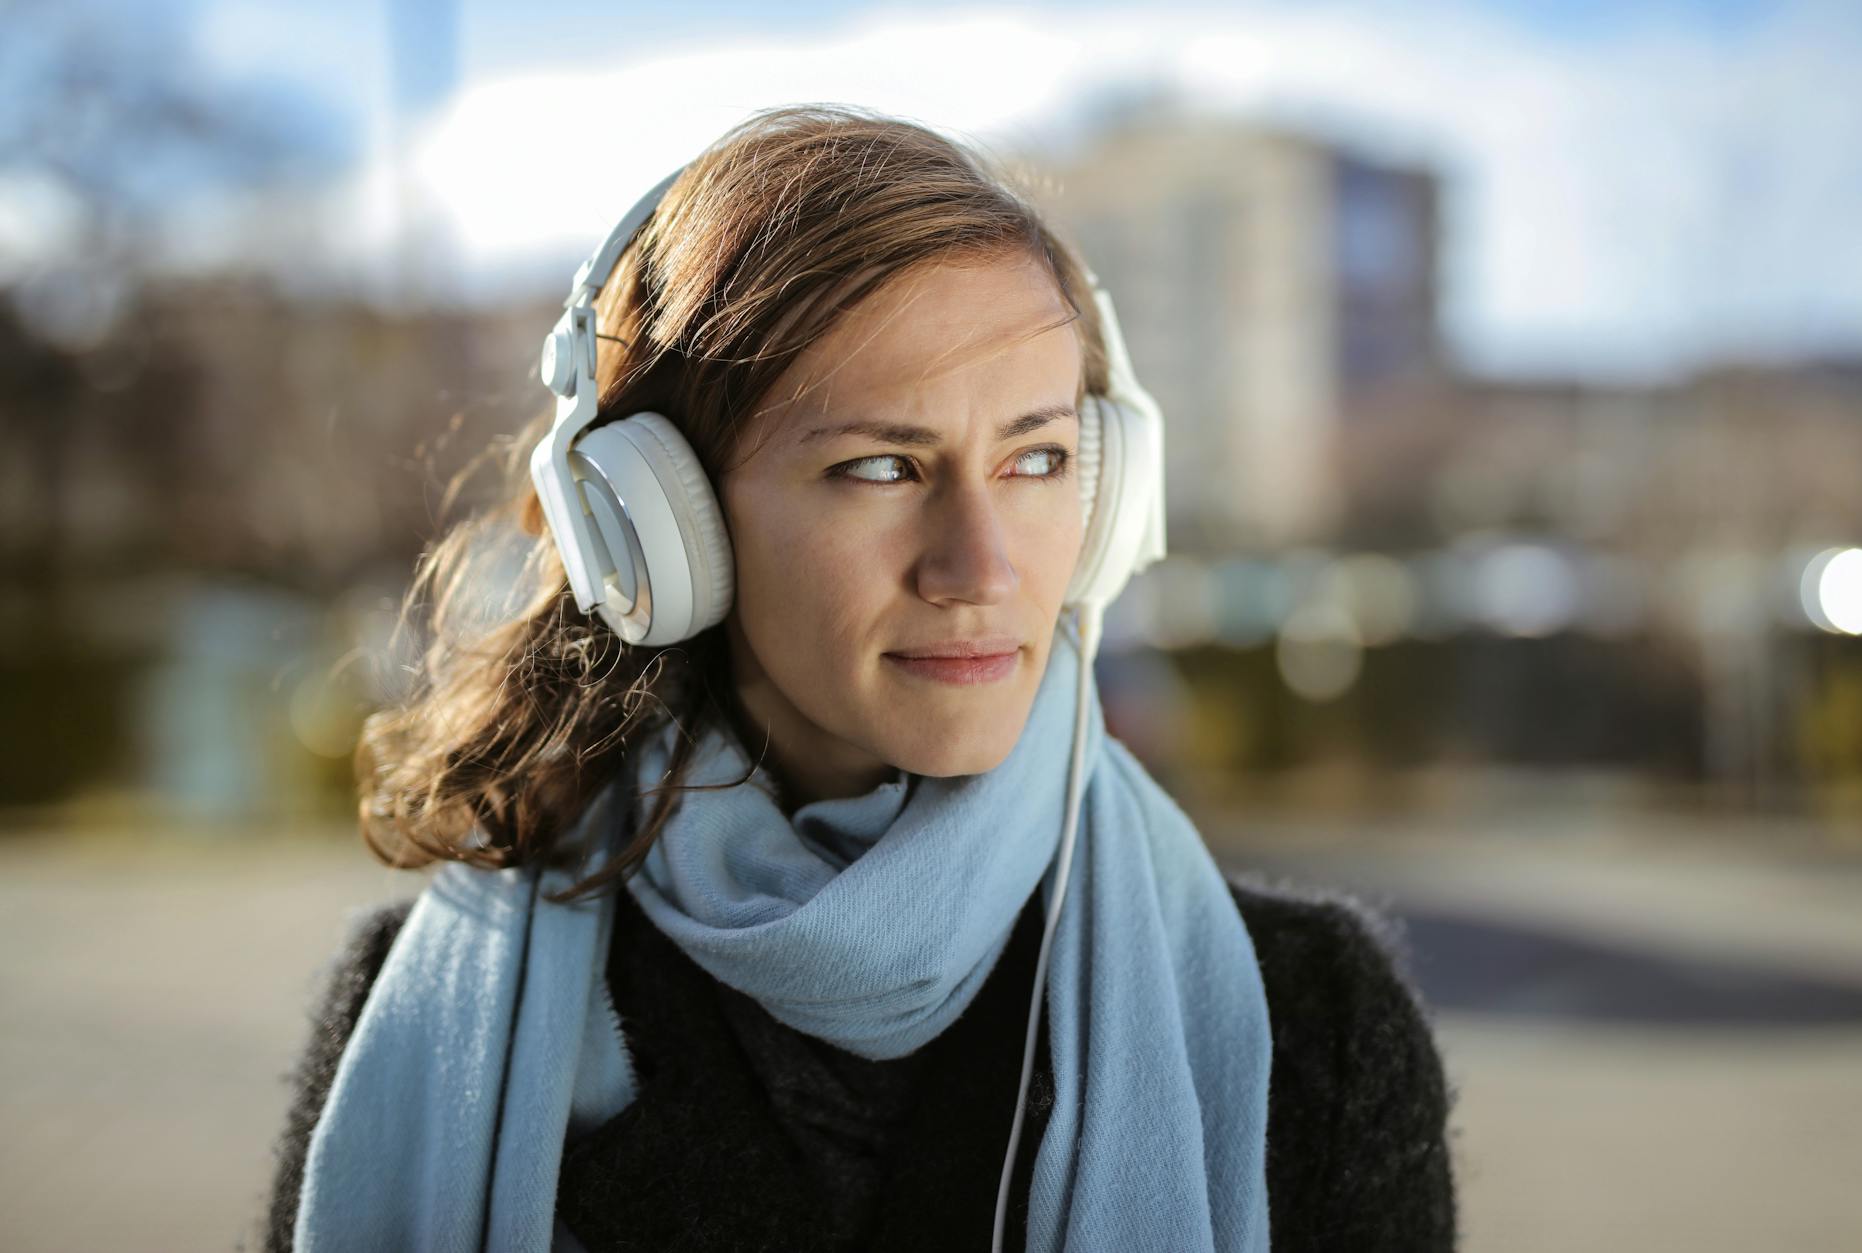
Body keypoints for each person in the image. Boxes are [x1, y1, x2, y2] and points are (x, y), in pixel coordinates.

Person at [256, 104, 1456, 1252]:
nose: (978, 567)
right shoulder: (418, 1018)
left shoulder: (1309, 1015)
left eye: (1036, 458)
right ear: (658, 528)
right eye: (881, 466)